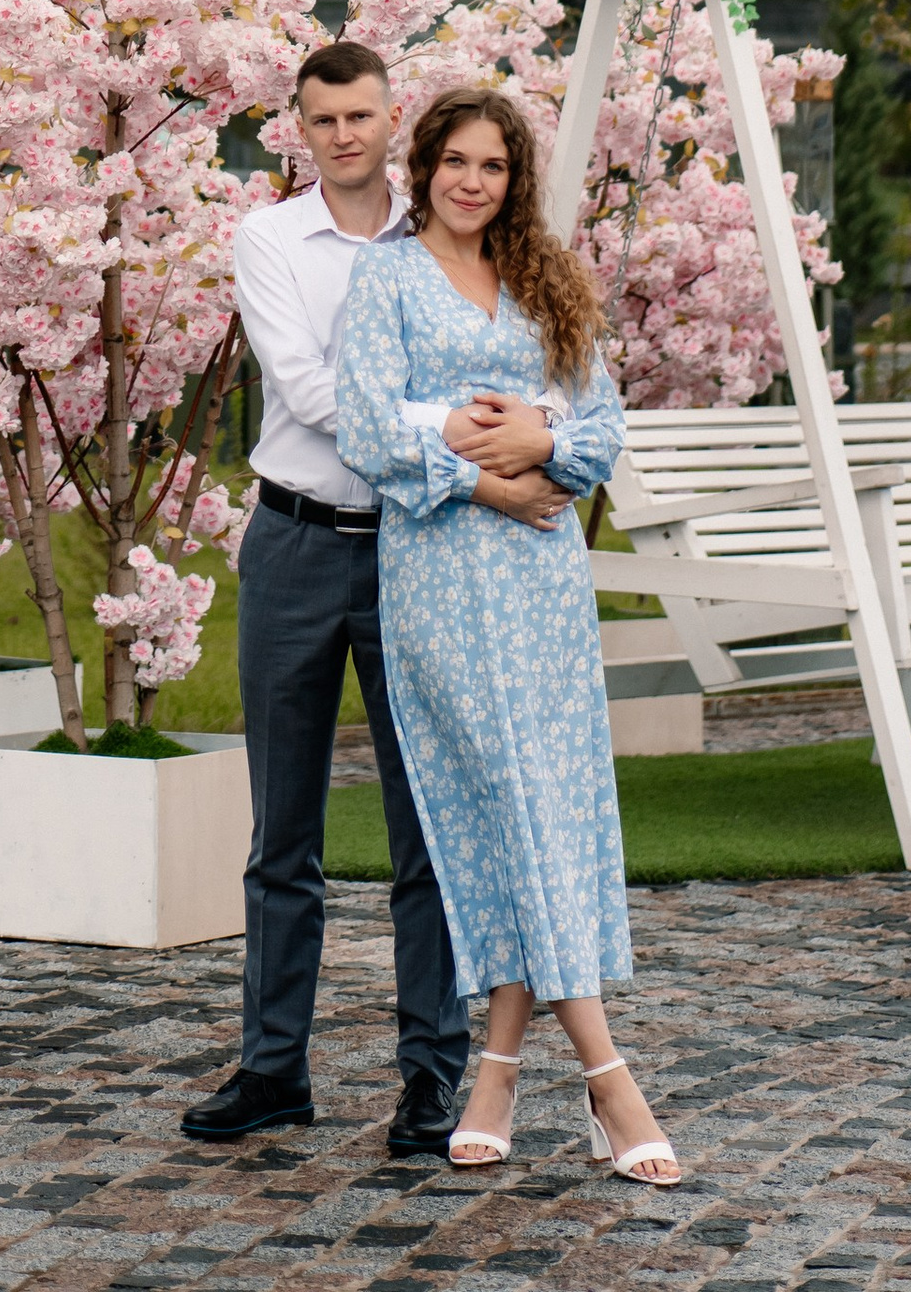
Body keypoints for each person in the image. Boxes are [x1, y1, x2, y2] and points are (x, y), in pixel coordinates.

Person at [181, 42, 557, 1160]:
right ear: (296, 128)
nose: (344, 134)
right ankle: (270, 1067)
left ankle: (431, 1077)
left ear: (394, 118)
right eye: (322, 118)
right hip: (298, 544)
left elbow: (508, 368)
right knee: (279, 829)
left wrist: (456, 435)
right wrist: (463, 439)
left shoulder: (444, 227)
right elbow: (308, 388)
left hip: (420, 546)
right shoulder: (268, 238)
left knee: (424, 824)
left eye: (361, 114)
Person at [336, 85, 681, 1189]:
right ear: (424, 165)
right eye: (454, 160)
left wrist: (545, 434)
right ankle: (608, 1076)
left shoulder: (548, 279)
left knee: (539, 803)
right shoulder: (383, 278)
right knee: (500, 799)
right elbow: (363, 425)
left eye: (492, 164)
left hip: (542, 588)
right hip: (440, 578)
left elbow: (601, 424)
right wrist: (482, 476)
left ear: (511, 177)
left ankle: (494, 1070)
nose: (471, 181)